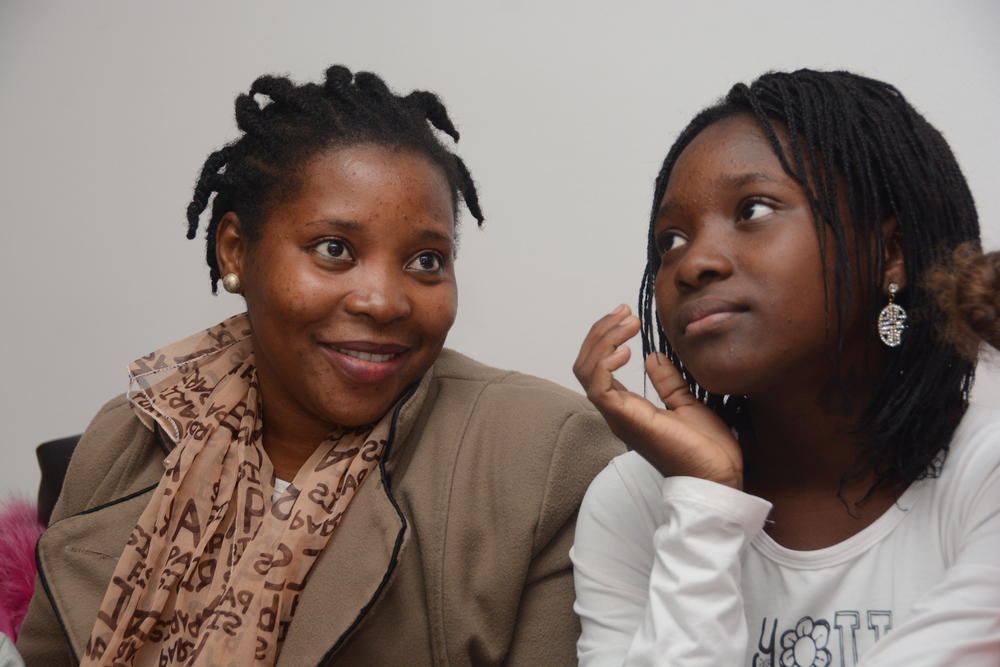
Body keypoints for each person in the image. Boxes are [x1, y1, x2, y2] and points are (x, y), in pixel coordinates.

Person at [17, 66, 623, 666]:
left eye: (426, 260)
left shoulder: (543, 457)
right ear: (235, 251)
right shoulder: (127, 436)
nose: (383, 302)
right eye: (334, 249)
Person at [571, 69, 1000, 665]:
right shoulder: (635, 499)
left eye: (753, 209)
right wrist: (704, 503)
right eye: (670, 241)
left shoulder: (987, 471)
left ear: (891, 253)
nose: (693, 264)